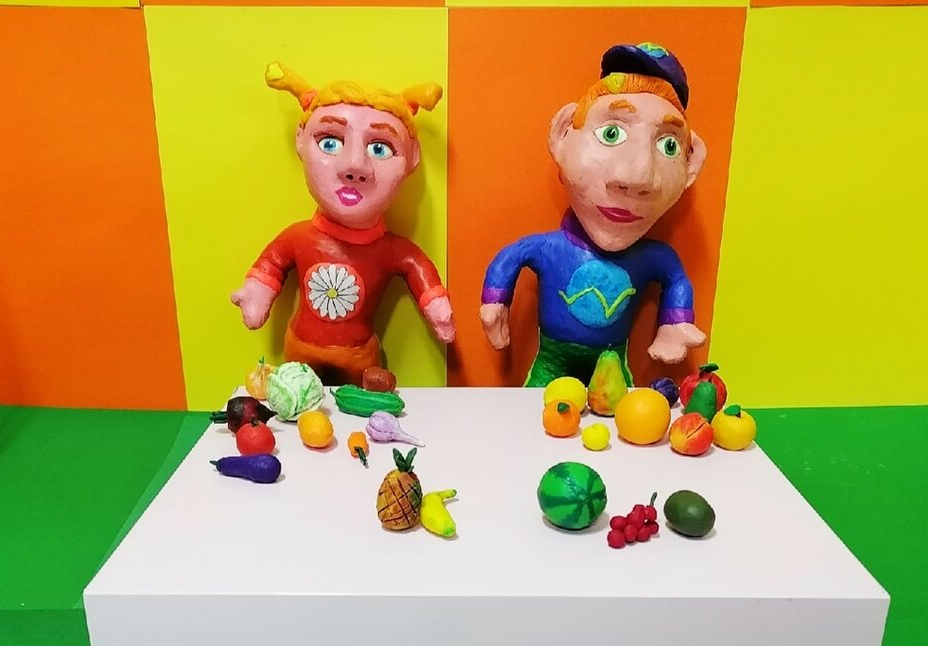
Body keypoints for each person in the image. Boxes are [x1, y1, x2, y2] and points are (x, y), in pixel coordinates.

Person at [479, 42, 708, 387]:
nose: (637, 176)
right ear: (562, 134)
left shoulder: (653, 257)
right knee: (535, 410)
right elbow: (512, 256)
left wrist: (674, 322)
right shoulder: (549, 248)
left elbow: (675, 278)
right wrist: (495, 301)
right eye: (611, 133)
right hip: (550, 362)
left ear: (691, 165)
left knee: (621, 418)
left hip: (613, 362)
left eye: (669, 145)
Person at [231, 62, 456, 386]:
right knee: (297, 404)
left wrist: (436, 305)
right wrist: (257, 291)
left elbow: (416, 266)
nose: (355, 166)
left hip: (360, 357)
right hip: (300, 351)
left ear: (413, 158)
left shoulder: (391, 249)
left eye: (380, 148)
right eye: (330, 142)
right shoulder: (299, 237)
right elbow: (272, 263)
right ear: (300, 140)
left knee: (364, 404)